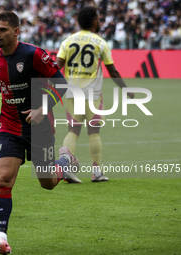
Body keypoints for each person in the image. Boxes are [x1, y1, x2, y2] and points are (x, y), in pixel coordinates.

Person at [0, 11, 80, 254]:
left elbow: (61, 83)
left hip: (40, 129)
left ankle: (64, 161)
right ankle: (1, 238)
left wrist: (42, 109)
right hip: (9, 127)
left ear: (16, 31)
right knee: (2, 179)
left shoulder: (33, 54)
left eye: (2, 30)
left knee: (48, 184)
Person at [56, 7, 134, 182]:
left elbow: (56, 66)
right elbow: (112, 71)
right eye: (98, 19)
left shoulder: (67, 41)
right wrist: (126, 89)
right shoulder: (100, 42)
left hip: (71, 93)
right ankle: (96, 172)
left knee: (73, 130)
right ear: (94, 21)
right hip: (93, 94)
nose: (99, 22)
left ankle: (65, 167)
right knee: (94, 132)